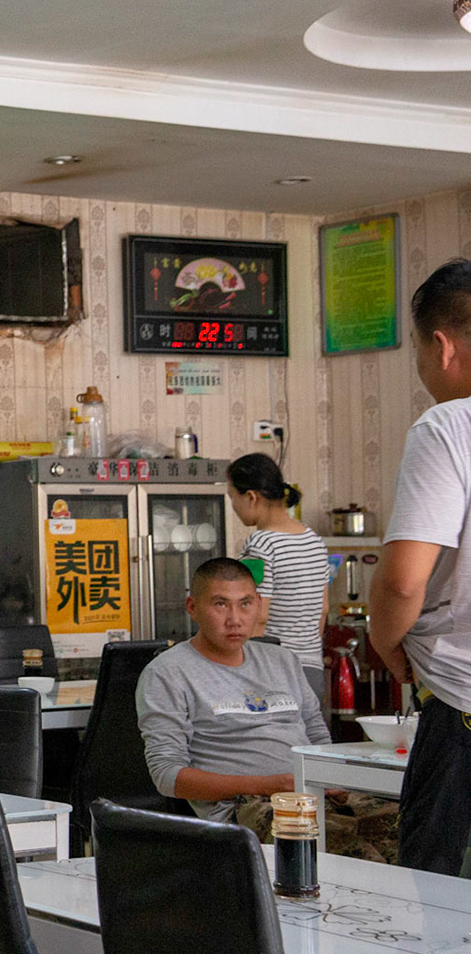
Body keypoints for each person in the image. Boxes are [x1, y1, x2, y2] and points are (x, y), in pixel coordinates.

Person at [139, 559, 389, 857]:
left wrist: (333, 779)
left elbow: (317, 736)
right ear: (192, 607)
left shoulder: (281, 660)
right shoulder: (167, 672)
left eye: (245, 604)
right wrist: (268, 785)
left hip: (314, 791)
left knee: (413, 828)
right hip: (244, 807)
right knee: (354, 853)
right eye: (220, 605)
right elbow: (167, 776)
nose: (235, 619)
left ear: (258, 604)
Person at [372, 257, 471, 874]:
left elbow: (405, 578)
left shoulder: (447, 427)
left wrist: (383, 641)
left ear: (441, 346)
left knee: (443, 929)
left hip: (463, 713)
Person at [227, 452, 331, 707]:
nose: (233, 506)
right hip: (312, 672)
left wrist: (243, 671)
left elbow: (256, 613)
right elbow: (323, 610)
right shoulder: (314, 541)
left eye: (232, 497)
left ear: (251, 497)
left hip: (273, 673)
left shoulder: (260, 544)